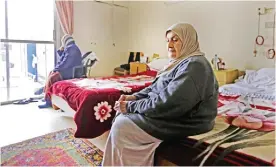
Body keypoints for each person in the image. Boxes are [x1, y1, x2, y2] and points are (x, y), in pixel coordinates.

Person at [102, 23, 219, 166]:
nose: (169, 44)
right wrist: (134, 97)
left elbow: (170, 103)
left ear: (189, 40)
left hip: (187, 120)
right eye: (168, 40)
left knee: (123, 125)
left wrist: (131, 106)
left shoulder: (195, 65)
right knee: (121, 116)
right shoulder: (177, 63)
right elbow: (155, 88)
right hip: (174, 114)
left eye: (175, 40)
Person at [38, 34, 82, 108]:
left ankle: (48, 101)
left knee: (52, 78)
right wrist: (61, 51)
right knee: (51, 73)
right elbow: (64, 59)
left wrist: (56, 69)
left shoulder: (72, 48)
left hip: (69, 72)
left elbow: (66, 63)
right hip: (68, 70)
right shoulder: (71, 48)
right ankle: (46, 94)